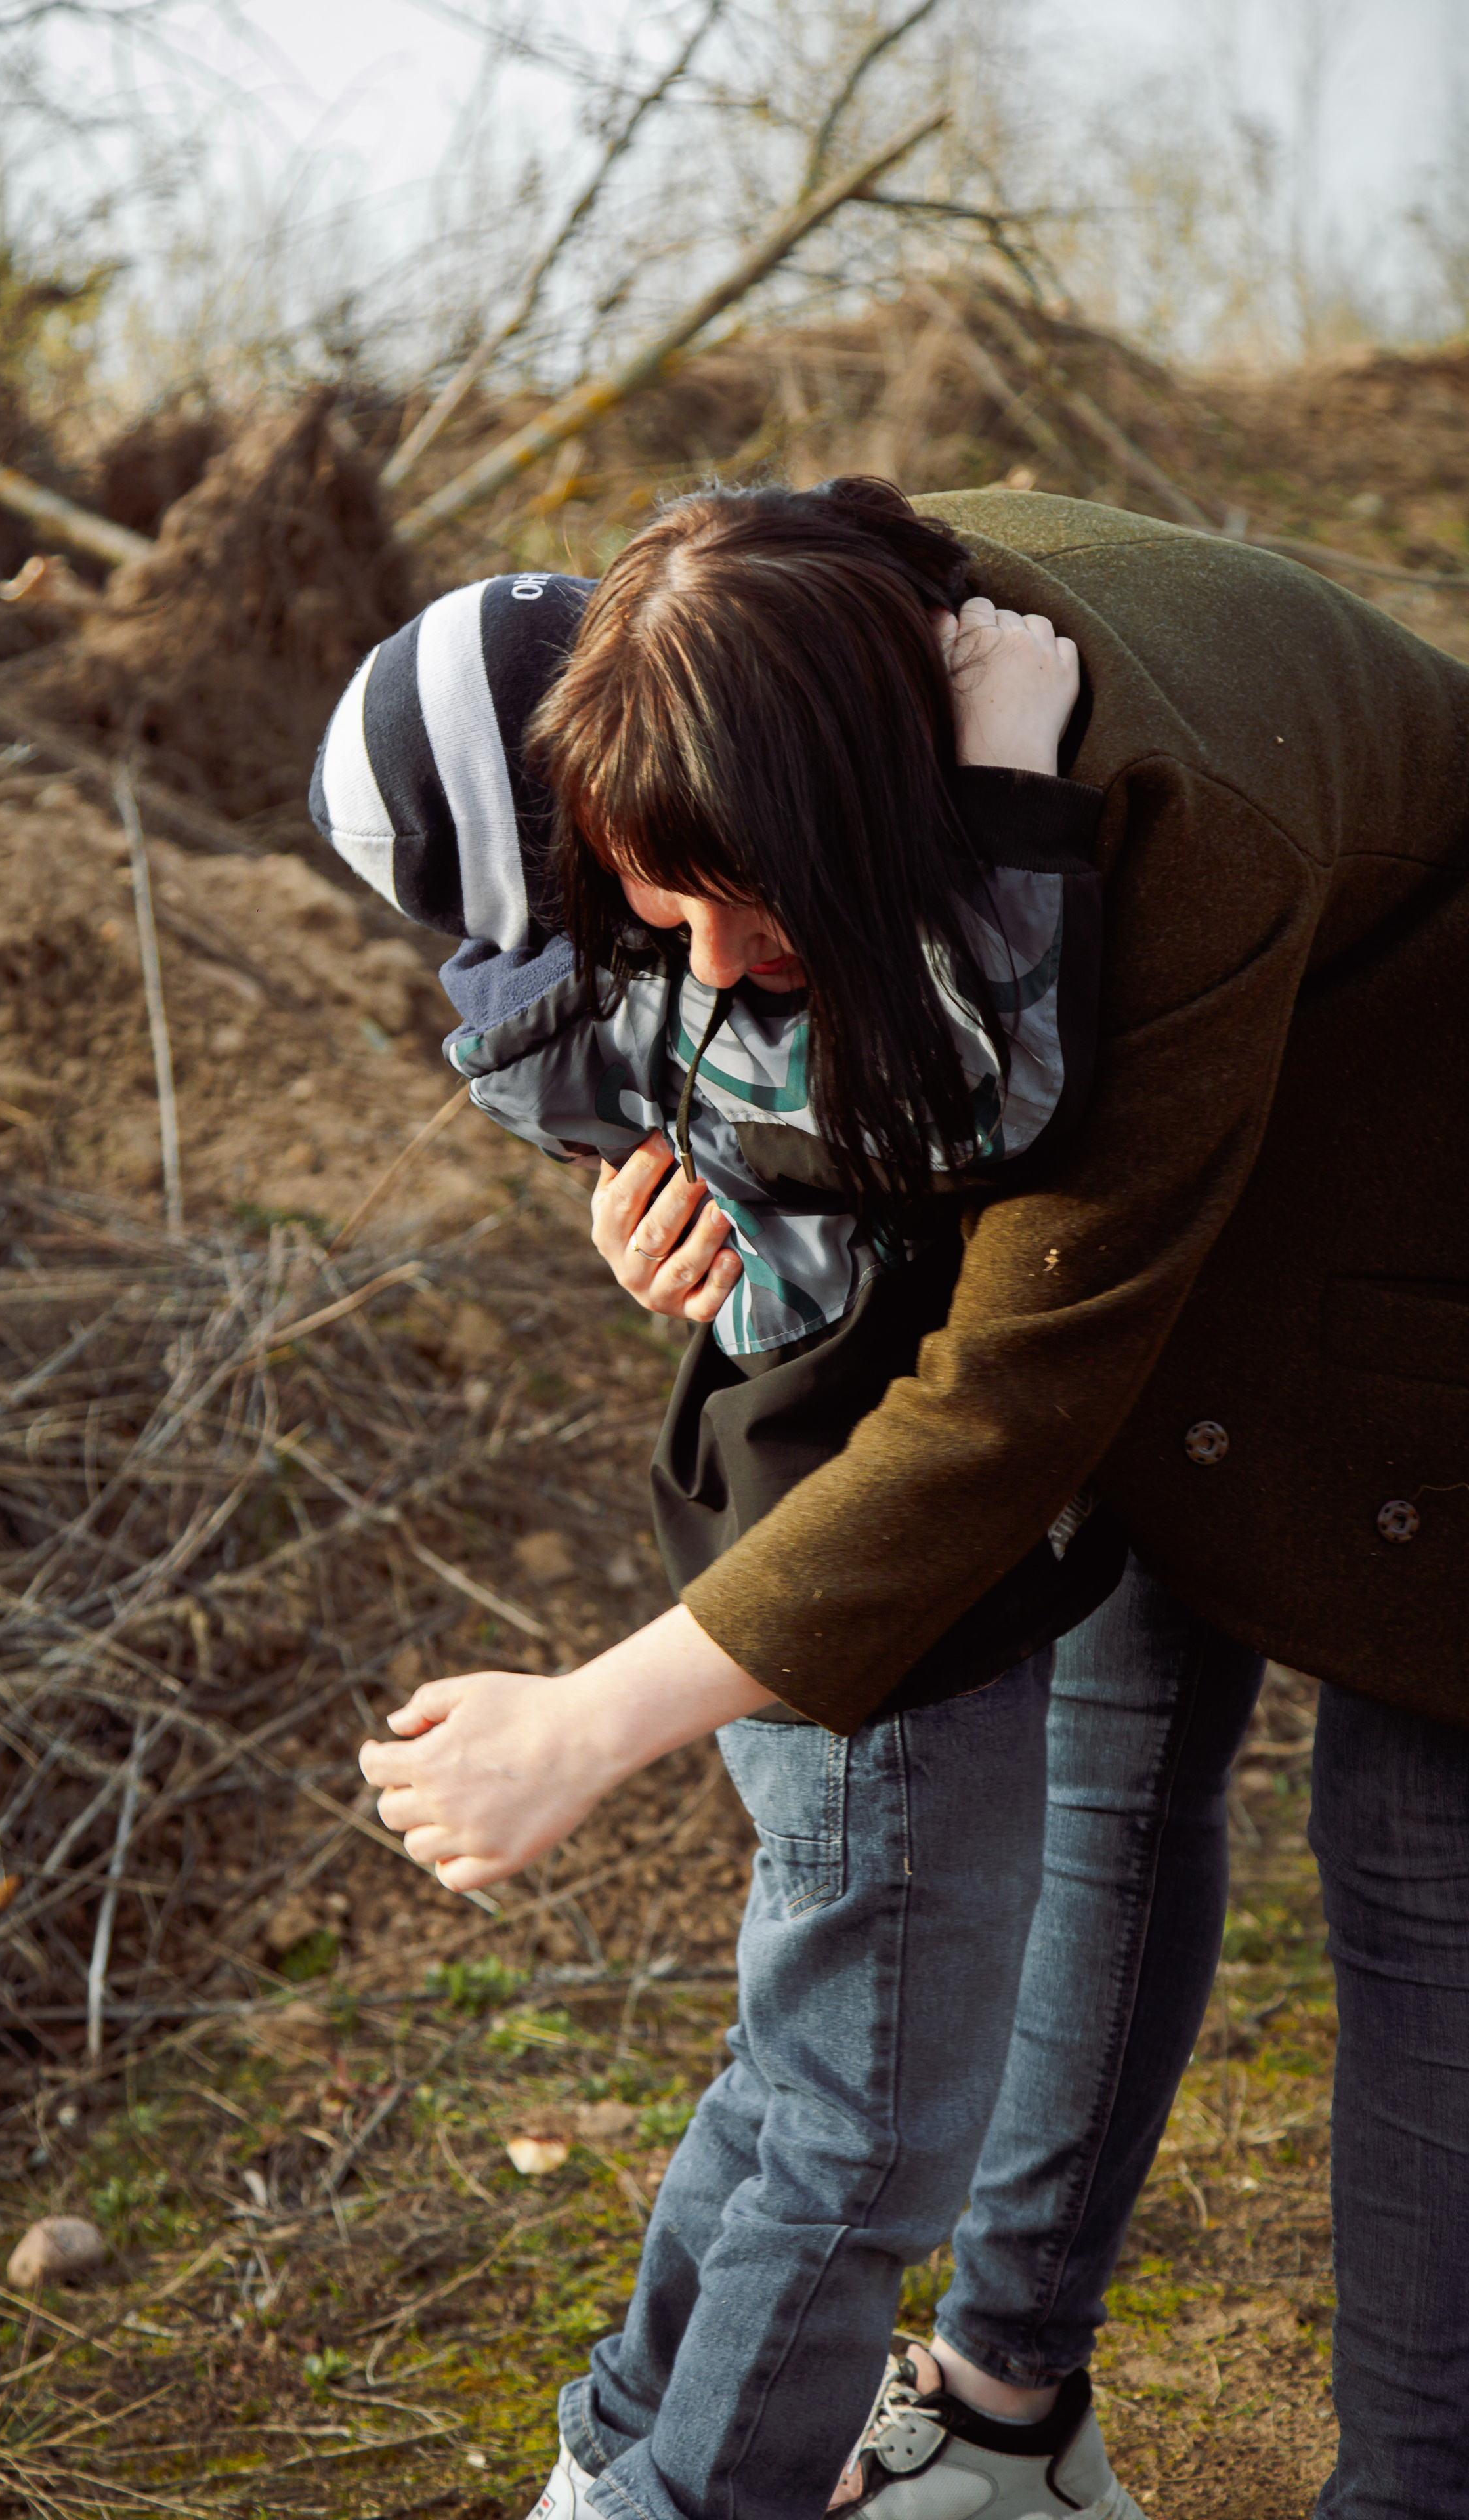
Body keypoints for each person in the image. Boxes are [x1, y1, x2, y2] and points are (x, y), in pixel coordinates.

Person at [312, 479, 1469, 2520]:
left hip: (1407, 1196)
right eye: (663, 907)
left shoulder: (1170, 823)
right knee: (1112, 1785)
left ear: (890, 799)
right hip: (1137, 1221)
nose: (726, 965)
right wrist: (652, 1194)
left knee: (1420, 1880)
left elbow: (1010, 1379)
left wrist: (592, 1720)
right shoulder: (748, 663)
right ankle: (1010, 2423)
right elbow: (834, 1078)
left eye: (759, 905)